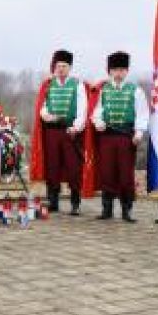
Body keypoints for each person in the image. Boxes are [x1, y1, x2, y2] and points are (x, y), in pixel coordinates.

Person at [90, 51, 149, 222]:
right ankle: (107, 209)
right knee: (107, 173)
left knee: (125, 174)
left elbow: (142, 114)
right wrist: (98, 122)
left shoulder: (135, 90)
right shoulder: (104, 90)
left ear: (127, 71)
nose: (118, 73)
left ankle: (127, 210)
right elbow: (96, 112)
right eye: (115, 70)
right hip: (107, 137)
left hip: (126, 137)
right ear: (109, 71)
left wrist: (138, 133)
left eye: (122, 69)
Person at [29, 49, 89, 215]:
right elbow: (42, 106)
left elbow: (82, 108)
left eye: (64, 66)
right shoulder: (48, 84)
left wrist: (76, 127)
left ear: (69, 68)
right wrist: (45, 114)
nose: (61, 69)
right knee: (52, 166)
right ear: (54, 67)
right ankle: (53, 201)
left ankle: (75, 203)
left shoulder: (77, 85)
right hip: (52, 132)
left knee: (73, 167)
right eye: (58, 66)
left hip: (70, 131)